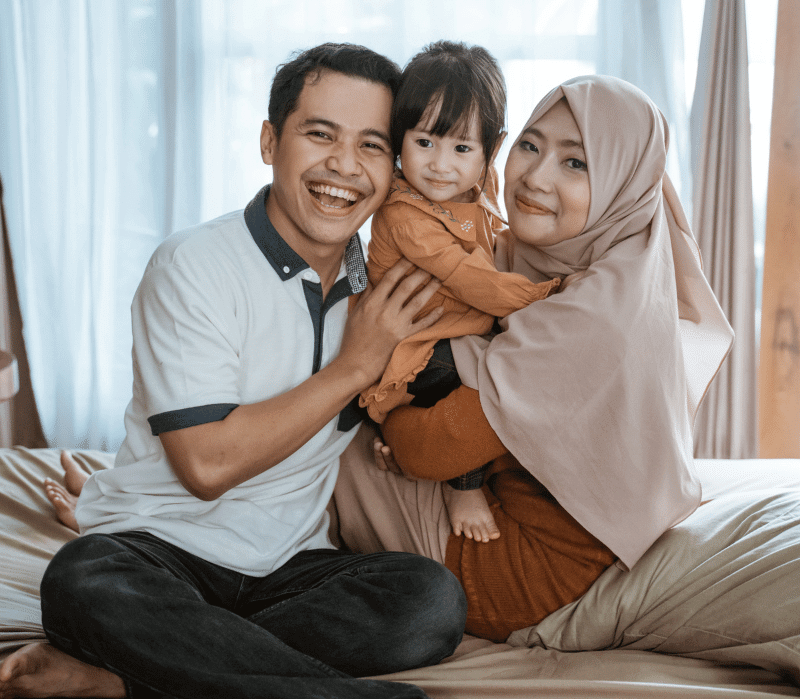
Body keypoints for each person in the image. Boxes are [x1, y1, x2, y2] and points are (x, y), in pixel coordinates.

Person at [0, 43, 467, 699]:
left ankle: (129, 678)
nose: (344, 166)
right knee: (83, 581)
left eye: (371, 146)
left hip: (291, 568)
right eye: (319, 134)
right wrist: (355, 364)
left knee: (428, 600)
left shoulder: (387, 285)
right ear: (270, 142)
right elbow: (207, 466)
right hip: (159, 551)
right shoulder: (192, 266)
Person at [337, 73, 734, 642]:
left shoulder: (594, 315)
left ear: (626, 182)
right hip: (501, 510)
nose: (535, 177)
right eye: (530, 145)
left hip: (518, 573)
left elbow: (435, 448)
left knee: (327, 432)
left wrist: (386, 410)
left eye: (577, 163)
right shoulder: (576, 263)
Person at [360, 41, 560, 544]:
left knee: (514, 374)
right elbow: (471, 279)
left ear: (492, 149)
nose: (440, 165)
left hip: (465, 326)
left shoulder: (481, 185)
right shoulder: (404, 214)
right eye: (424, 142)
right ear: (398, 138)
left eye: (461, 148)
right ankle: (462, 485)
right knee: (462, 378)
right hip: (417, 345)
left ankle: (489, 464)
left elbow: (498, 242)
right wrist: (546, 296)